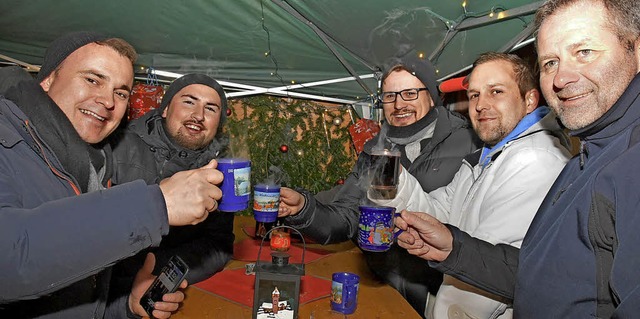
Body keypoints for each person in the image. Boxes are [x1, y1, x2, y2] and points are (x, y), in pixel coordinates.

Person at [394, 0, 640, 317]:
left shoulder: (626, 160)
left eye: (584, 52)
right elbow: (542, 276)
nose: (561, 77)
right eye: (551, 62)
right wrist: (455, 249)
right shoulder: (590, 155)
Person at [0, 32, 223, 319]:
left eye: (121, 92)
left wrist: (127, 306)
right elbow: (8, 260)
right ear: (48, 79)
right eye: (93, 79)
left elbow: (77, 291)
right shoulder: (7, 139)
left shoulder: (96, 165)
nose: (107, 100)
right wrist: (156, 205)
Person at [278, 54, 482, 316]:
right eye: (389, 96)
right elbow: (345, 216)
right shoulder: (375, 150)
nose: (398, 104)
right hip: (380, 284)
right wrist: (304, 208)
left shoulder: (469, 143)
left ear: (431, 96)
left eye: (409, 93)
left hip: (442, 293)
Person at [372, 52, 571, 318]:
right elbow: (437, 211)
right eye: (475, 94)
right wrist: (393, 177)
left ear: (530, 99)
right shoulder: (485, 159)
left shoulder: (533, 160)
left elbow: (482, 278)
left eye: (496, 91)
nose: (480, 105)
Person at [108, 74, 234, 302]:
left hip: (152, 293)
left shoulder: (217, 172)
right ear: (165, 110)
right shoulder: (118, 148)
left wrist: (158, 267)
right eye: (189, 102)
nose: (198, 115)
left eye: (211, 108)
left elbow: (219, 246)